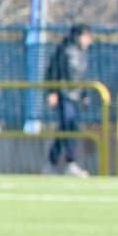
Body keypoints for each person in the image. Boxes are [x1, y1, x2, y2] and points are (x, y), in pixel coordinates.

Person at [44, 24, 93, 177]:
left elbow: (81, 77)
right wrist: (52, 92)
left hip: (75, 96)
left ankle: (53, 162)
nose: (89, 40)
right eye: (86, 36)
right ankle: (70, 162)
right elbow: (53, 71)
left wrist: (84, 95)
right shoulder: (64, 50)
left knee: (67, 128)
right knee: (69, 126)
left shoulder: (82, 53)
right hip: (63, 94)